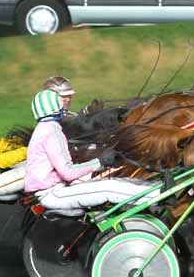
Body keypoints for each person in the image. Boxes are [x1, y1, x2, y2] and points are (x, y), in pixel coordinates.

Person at [25, 89, 159, 211]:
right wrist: (100, 162)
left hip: (52, 191)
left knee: (118, 181)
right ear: (58, 108)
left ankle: (155, 187)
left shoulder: (43, 128)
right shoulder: (52, 130)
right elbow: (68, 172)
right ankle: (159, 195)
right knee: (109, 187)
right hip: (53, 194)